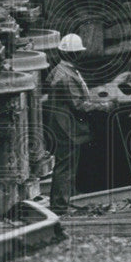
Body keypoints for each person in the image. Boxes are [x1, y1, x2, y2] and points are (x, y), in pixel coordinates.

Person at [45, 33, 113, 212]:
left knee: (66, 165)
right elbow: (79, 104)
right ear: (75, 54)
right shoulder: (67, 76)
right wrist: (103, 106)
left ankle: (63, 201)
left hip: (61, 124)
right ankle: (60, 206)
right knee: (65, 166)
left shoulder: (62, 70)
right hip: (66, 127)